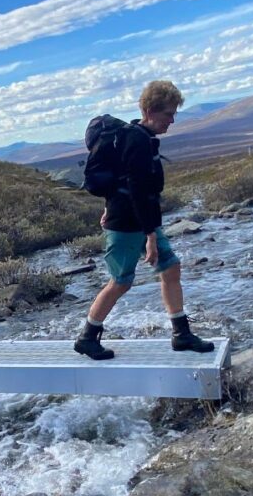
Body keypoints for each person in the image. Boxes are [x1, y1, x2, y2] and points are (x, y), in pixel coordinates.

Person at [74, 80, 214, 360]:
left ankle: (181, 334)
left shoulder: (138, 136)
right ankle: (87, 337)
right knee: (121, 281)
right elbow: (137, 191)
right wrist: (150, 236)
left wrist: (112, 207)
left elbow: (127, 183)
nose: (172, 120)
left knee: (171, 268)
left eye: (174, 114)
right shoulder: (136, 140)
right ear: (150, 111)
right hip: (128, 224)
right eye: (168, 114)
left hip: (140, 220)